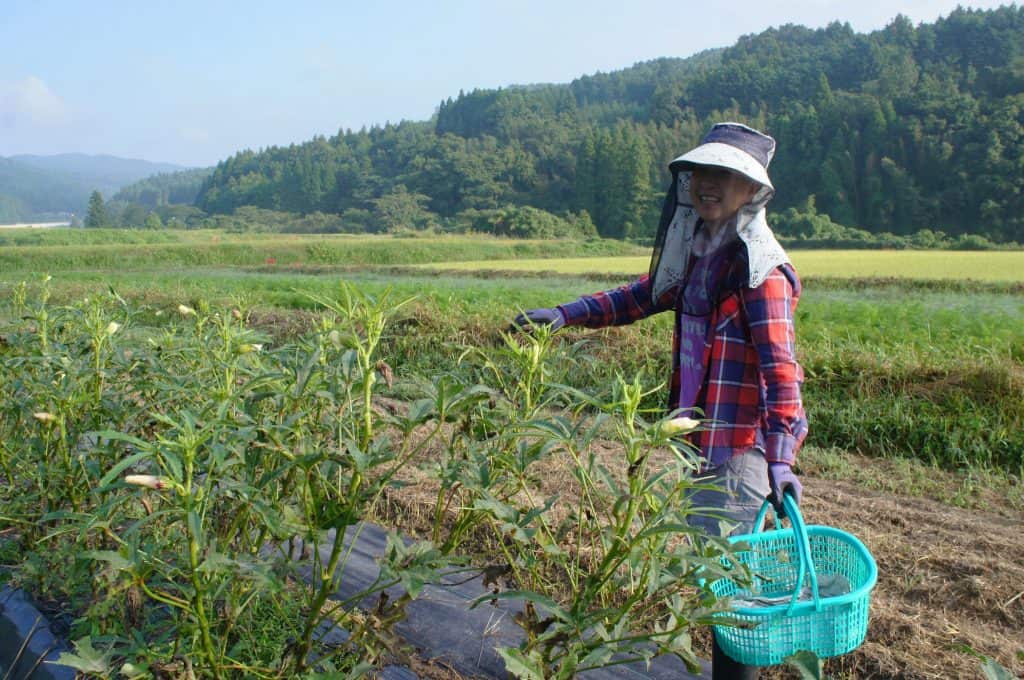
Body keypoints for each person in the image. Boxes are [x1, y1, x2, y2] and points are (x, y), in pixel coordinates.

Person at [512, 122, 808, 679]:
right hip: (699, 441)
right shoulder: (702, 254)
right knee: (715, 581)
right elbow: (644, 296)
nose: (708, 184)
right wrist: (566, 314)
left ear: (752, 190)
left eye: (725, 174)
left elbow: (781, 374)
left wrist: (783, 456)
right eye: (700, 173)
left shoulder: (762, 273)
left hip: (739, 453)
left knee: (732, 593)